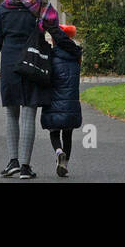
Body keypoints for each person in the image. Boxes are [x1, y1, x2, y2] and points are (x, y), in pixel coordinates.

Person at [0, 0, 53, 179]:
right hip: (32, 62)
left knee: (11, 114)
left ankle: (12, 160)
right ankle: (25, 166)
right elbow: (52, 30)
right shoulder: (37, 8)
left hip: (11, 65)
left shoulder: (4, 8)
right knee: (29, 114)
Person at [41, 23, 83, 178]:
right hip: (71, 101)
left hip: (54, 100)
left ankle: (59, 152)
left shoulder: (52, 57)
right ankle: (65, 163)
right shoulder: (76, 57)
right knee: (68, 134)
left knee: (54, 132)